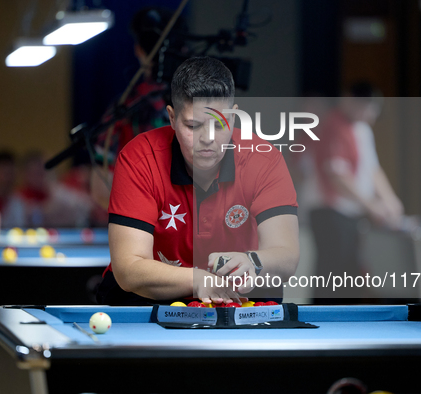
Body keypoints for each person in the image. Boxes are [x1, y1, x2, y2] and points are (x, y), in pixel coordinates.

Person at [97, 57, 300, 306]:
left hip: (239, 296)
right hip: (152, 297)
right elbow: (129, 269)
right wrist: (197, 279)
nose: (208, 138)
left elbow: (287, 256)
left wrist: (253, 262)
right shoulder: (139, 158)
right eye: (193, 126)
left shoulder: (264, 159)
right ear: (171, 118)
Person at [309, 82, 403, 300]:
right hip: (330, 213)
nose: (368, 115)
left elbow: (373, 169)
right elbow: (338, 176)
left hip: (351, 214)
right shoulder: (333, 125)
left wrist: (390, 200)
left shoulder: (362, 129)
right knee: (332, 278)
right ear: (349, 99)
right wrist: (372, 206)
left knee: (350, 277)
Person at [92, 7, 188, 210]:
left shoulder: (125, 107)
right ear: (184, 51)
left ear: (138, 50)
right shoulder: (207, 108)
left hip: (140, 227)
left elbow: (101, 187)